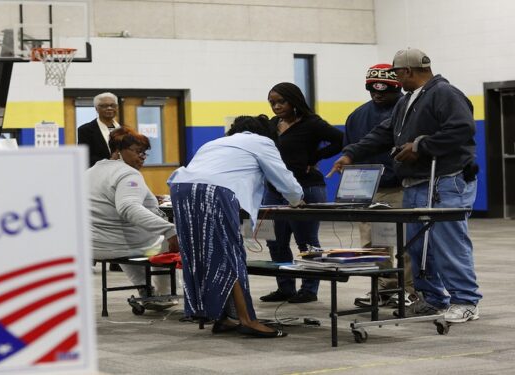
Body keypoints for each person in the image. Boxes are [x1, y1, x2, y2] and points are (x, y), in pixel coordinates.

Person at [329, 48, 482, 323]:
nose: (396, 80)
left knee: (448, 242)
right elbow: (384, 133)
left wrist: (421, 146)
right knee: (418, 246)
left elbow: (463, 129)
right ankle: (433, 298)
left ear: (408, 71)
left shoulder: (444, 93)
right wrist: (351, 153)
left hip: (444, 180)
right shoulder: (408, 101)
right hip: (415, 183)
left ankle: (466, 301)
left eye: (397, 74)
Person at [168, 115, 303, 338]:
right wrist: (298, 199)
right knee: (229, 254)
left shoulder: (213, 143)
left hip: (180, 190)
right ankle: (247, 320)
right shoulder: (262, 142)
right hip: (214, 192)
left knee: (200, 254)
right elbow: (285, 180)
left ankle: (222, 316)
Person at [260, 82, 343, 304]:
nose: (276, 107)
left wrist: (315, 158)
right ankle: (285, 287)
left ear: (294, 101)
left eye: (281, 102)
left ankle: (309, 288)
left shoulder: (312, 123)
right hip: (274, 190)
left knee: (306, 241)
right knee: (275, 241)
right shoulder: (271, 125)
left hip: (306, 187)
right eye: (272, 103)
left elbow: (340, 140)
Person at [344, 64, 416, 308]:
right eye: (373, 89)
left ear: (397, 87)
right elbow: (351, 150)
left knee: (405, 242)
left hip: (401, 186)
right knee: (373, 244)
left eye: (386, 89)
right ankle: (382, 288)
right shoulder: (357, 116)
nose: (378, 94)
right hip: (368, 188)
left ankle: (407, 289)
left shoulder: (409, 110)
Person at [86, 127, 179, 310]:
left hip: (92, 245)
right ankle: (166, 294)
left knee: (132, 237)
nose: (142, 157)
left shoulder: (90, 171)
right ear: (118, 152)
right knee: (174, 242)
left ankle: (146, 291)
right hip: (117, 244)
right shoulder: (128, 173)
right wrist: (170, 230)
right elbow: (128, 207)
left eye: (145, 153)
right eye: (137, 152)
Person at [78, 92, 121, 168]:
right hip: (98, 174)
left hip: (121, 172)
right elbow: (85, 157)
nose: (109, 108)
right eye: (104, 106)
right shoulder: (85, 130)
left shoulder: (123, 130)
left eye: (112, 105)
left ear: (117, 107)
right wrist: (109, 161)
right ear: (96, 109)